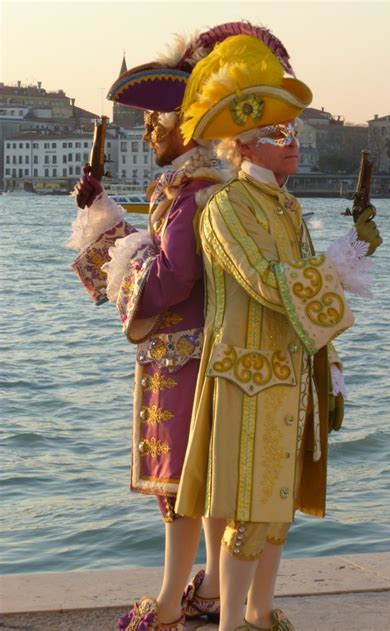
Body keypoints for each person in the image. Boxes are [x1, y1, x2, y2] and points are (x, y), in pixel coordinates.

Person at [68, 24, 301, 631]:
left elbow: (173, 277)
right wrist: (106, 219)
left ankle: (171, 602)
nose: (147, 131)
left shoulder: (192, 187)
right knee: (213, 482)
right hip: (218, 351)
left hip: (185, 357)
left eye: (158, 120)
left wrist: (123, 260)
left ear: (189, 121)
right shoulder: (212, 186)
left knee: (181, 483)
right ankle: (217, 592)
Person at [174, 34, 382, 631]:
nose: (292, 145)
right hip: (245, 378)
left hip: (291, 375)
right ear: (245, 147)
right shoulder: (226, 208)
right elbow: (268, 282)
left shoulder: (288, 209)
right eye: (280, 136)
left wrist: (331, 358)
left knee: (277, 511)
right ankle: (231, 623)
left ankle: (261, 615)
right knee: (248, 510)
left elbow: (303, 290)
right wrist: (339, 262)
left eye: (292, 135)